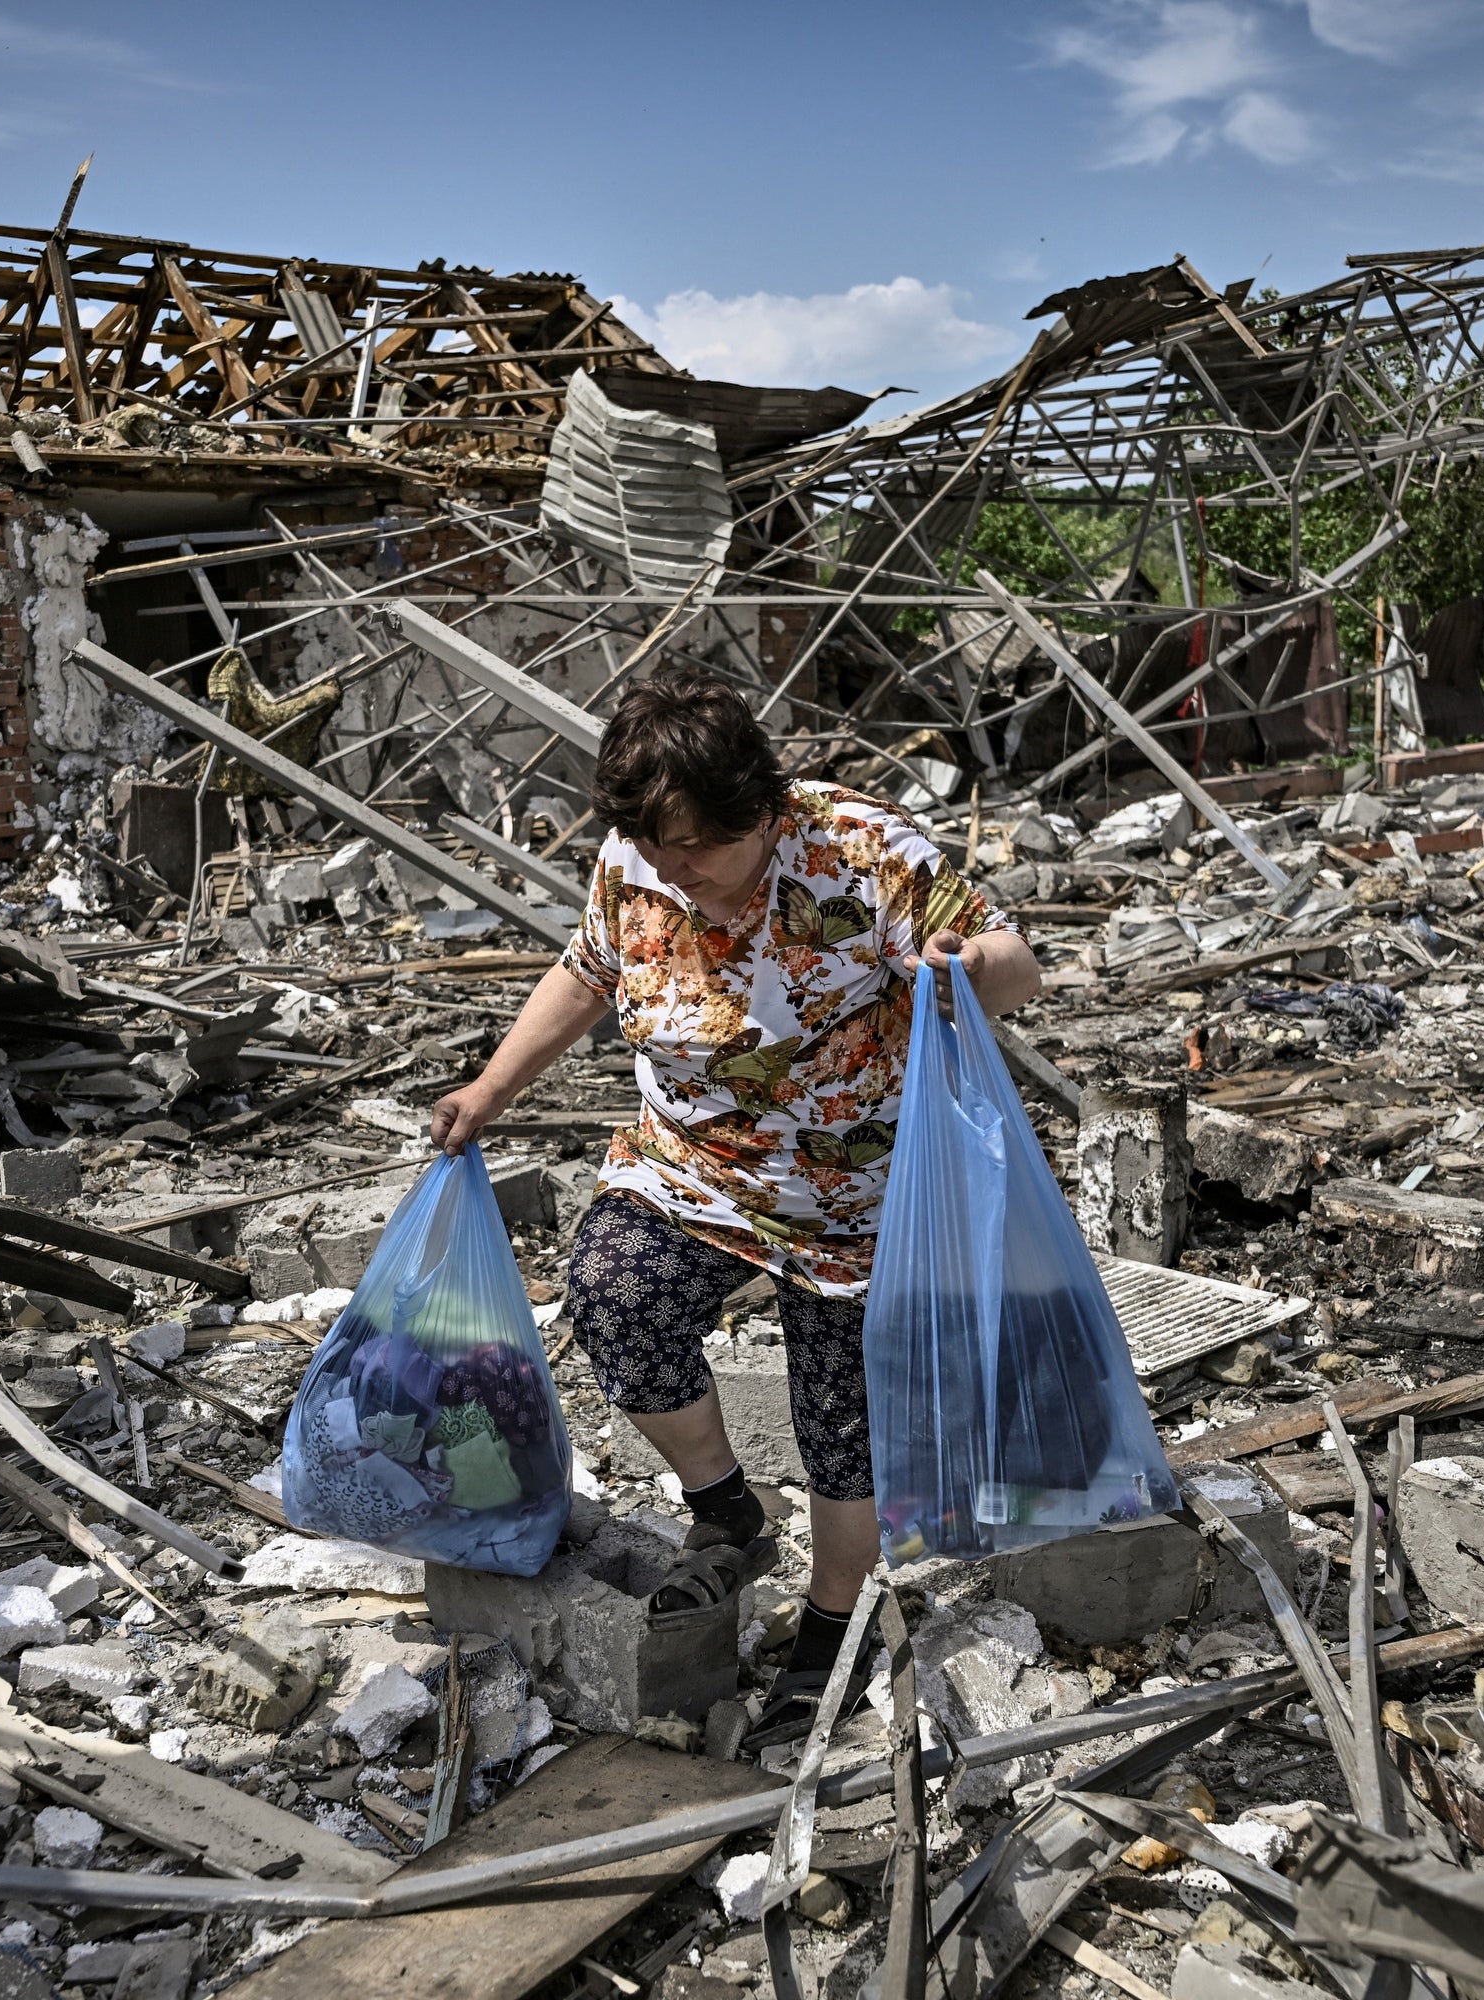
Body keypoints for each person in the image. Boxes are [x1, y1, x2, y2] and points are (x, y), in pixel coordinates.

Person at [429, 663, 1040, 1743]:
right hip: (697, 1166)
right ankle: (727, 1511)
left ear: (761, 811)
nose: (675, 872)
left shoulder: (859, 850)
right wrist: (489, 1089)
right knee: (614, 1292)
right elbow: (585, 970)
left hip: (859, 1192)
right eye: (657, 851)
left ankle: (831, 1628)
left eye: (697, 850)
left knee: (840, 1427)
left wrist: (961, 963)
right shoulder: (639, 861)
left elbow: (1013, 964)